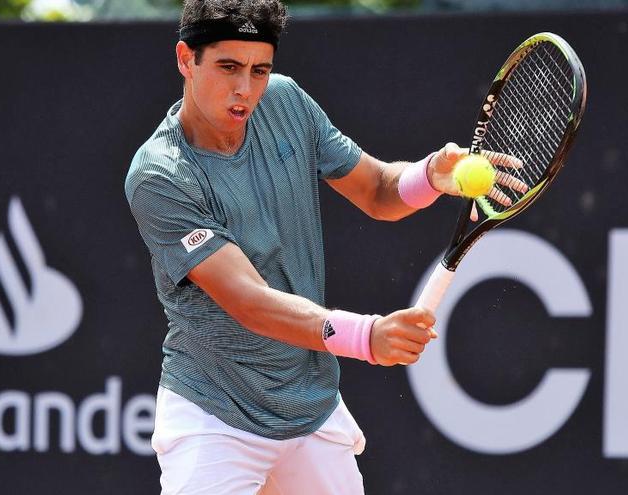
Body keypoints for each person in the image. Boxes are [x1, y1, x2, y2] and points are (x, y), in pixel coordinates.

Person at [124, 0, 484, 492]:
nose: (245, 89)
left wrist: (430, 176)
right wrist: (368, 337)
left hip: (309, 405)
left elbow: (378, 190)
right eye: (228, 68)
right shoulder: (160, 175)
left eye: (259, 70)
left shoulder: (286, 102)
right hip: (214, 412)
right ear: (186, 59)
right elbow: (248, 302)